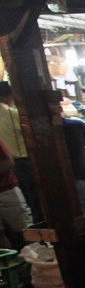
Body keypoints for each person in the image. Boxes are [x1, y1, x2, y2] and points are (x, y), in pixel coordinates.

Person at [0, 82, 37, 223]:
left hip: (12, 167)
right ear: (11, 95)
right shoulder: (12, 114)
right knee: (29, 210)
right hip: (21, 165)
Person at [61, 117, 85, 221]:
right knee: (84, 205)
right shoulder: (75, 124)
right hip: (78, 172)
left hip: (55, 176)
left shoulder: (42, 128)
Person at [0, 138, 32, 250]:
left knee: (26, 229)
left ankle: (37, 260)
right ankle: (12, 263)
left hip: (7, 190)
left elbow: (8, 162)